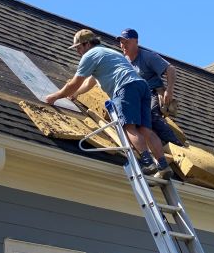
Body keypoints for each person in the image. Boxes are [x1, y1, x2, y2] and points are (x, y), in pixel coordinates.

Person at [45, 29, 173, 179]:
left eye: (79, 48)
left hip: (125, 88)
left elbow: (75, 82)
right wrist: (77, 94)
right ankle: (163, 166)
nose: (78, 52)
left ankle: (147, 162)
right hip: (142, 86)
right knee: (145, 130)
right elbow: (89, 83)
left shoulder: (89, 55)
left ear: (87, 44)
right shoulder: (109, 53)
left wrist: (54, 97)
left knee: (129, 127)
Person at [117, 28, 182, 146]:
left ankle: (176, 144)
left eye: (127, 42)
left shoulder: (147, 56)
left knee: (151, 114)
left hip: (153, 92)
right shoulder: (124, 62)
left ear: (136, 42)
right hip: (138, 97)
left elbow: (170, 69)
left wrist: (169, 90)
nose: (123, 45)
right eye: (121, 42)